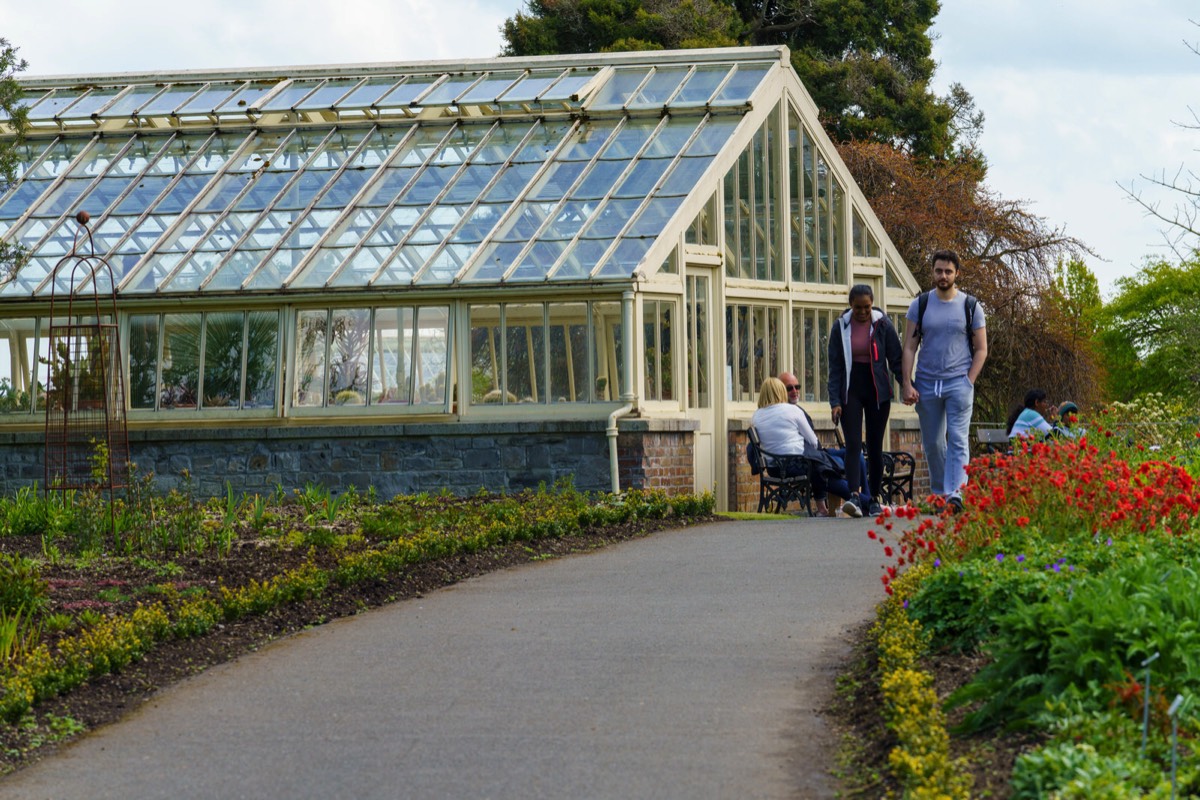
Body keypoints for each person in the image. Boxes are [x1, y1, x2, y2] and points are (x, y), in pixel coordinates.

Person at [901, 249, 988, 513]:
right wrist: (907, 383)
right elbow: (909, 347)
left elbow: (981, 348)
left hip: (958, 382)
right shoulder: (921, 304)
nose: (943, 275)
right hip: (926, 383)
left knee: (959, 439)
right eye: (939, 270)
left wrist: (968, 380)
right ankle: (940, 493)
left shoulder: (970, 306)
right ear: (933, 272)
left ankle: (956, 494)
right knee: (933, 442)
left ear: (957, 273)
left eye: (948, 271)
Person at [827, 284, 904, 518]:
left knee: (874, 446)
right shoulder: (840, 327)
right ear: (851, 305)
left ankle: (873, 498)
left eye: (867, 307)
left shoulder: (883, 326)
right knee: (852, 444)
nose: (862, 312)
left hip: (877, 392)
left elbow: (896, 360)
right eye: (858, 307)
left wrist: (908, 386)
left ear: (872, 304)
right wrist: (835, 401)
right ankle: (854, 496)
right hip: (851, 390)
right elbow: (835, 367)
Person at [752, 377, 855, 517]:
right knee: (824, 470)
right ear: (781, 392)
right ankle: (861, 502)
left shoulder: (756, 416)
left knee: (823, 468)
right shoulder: (792, 410)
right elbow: (813, 441)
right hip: (798, 465)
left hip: (774, 469)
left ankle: (843, 504)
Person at [778, 370, 868, 516]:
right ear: (780, 390)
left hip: (816, 453)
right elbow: (812, 443)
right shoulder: (788, 413)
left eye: (797, 387)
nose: (795, 391)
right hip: (809, 456)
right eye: (789, 388)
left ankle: (864, 499)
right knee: (830, 461)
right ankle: (867, 502)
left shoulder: (797, 410)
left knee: (855, 453)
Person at [1006, 389, 1076, 440]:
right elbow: (1055, 435)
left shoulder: (1027, 413)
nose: (1046, 405)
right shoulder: (1032, 414)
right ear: (1037, 402)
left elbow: (1046, 437)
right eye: (1044, 402)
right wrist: (1056, 418)